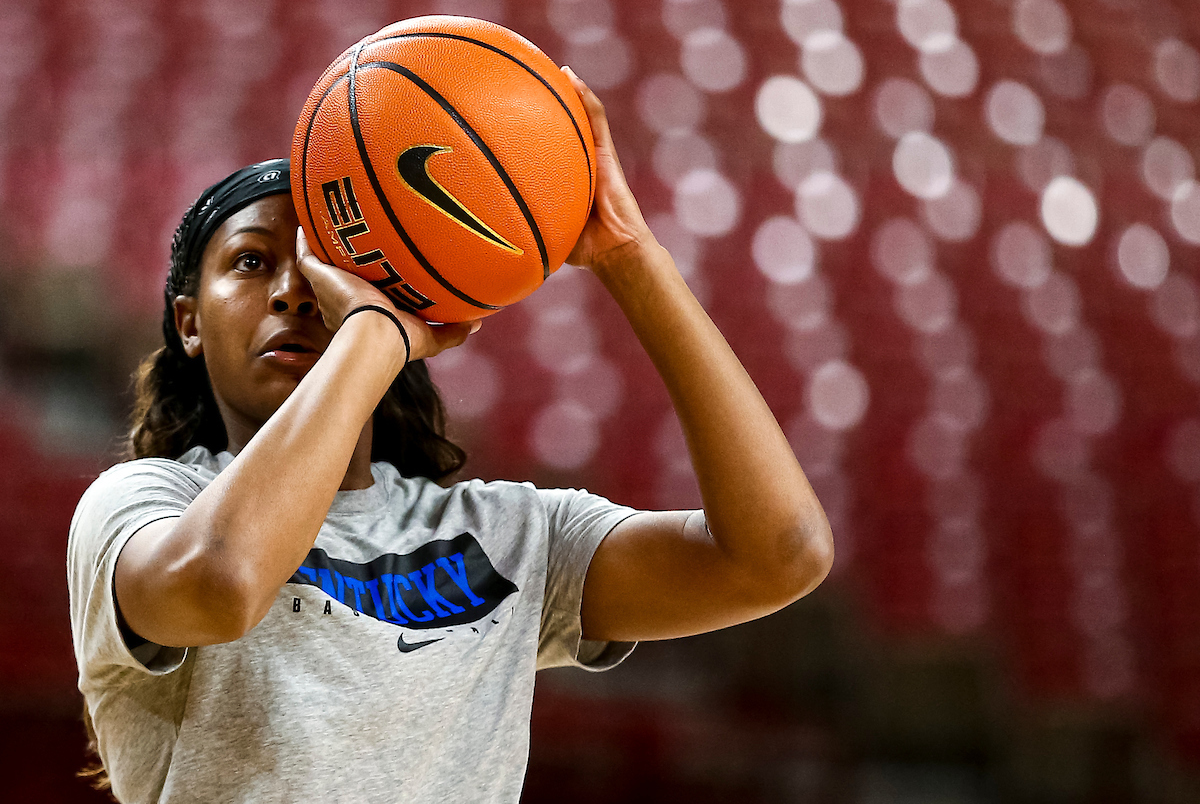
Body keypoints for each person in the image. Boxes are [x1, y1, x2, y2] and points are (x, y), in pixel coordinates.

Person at [67, 69, 834, 804]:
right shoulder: (145, 504)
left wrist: (633, 260)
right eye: (251, 262)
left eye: (326, 267)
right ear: (189, 322)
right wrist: (371, 330)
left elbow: (779, 556)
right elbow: (220, 587)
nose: (294, 291)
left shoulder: (511, 533)